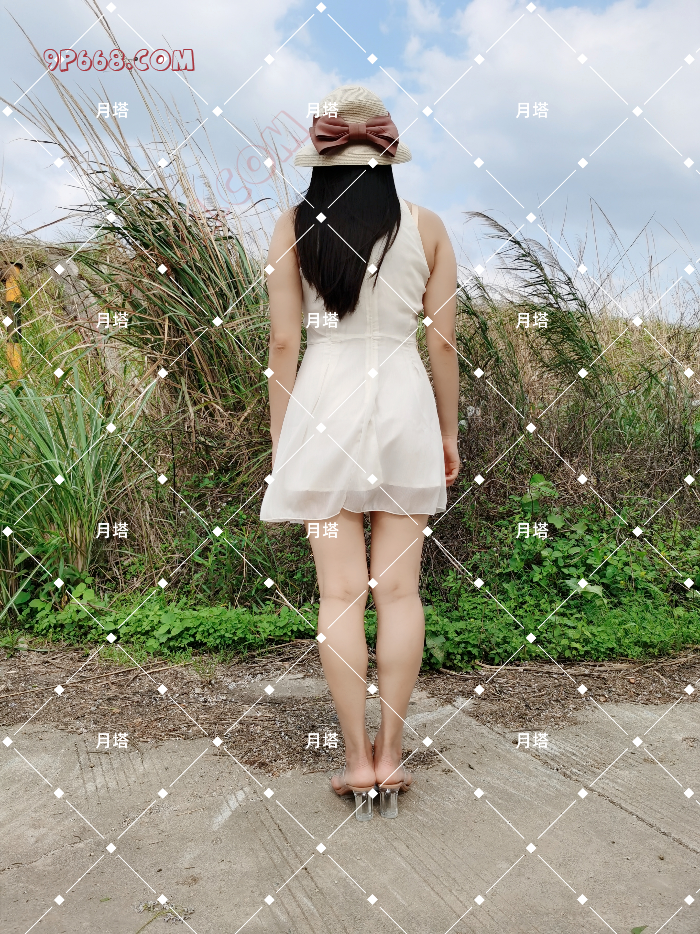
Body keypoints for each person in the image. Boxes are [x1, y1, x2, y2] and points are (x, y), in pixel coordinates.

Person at [260, 85, 459, 820]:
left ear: (321, 157)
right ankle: (392, 755)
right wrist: (449, 434)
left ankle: (354, 761)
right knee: (399, 592)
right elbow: (443, 343)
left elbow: (285, 342)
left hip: (322, 410)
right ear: (386, 157)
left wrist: (283, 443)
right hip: (405, 406)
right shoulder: (429, 227)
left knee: (339, 593)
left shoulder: (292, 225)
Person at [3, 261, 24, 381]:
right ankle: (13, 377)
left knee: (14, 339)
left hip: (14, 304)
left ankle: (14, 378)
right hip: (12, 304)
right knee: (13, 340)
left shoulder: (13, 286)